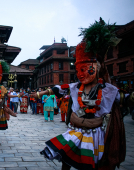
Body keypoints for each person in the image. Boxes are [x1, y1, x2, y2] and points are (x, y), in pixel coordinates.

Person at [31, 18, 133, 170]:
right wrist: (40, 94)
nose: (80, 74)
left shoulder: (108, 90)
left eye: (85, 69)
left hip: (97, 133)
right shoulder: (74, 87)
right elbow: (58, 88)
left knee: (94, 163)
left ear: (97, 67)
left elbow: (126, 99)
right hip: (76, 130)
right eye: (78, 70)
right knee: (66, 157)